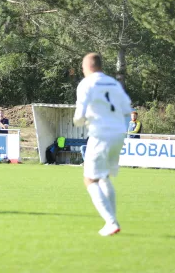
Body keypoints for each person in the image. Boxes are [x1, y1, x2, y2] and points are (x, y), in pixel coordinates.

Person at [73, 53, 132, 236]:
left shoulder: (86, 84)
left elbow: (79, 115)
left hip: (100, 134)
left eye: (83, 67)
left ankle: (111, 222)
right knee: (104, 177)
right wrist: (121, 130)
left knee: (90, 179)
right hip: (118, 134)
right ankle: (112, 221)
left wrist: (79, 121)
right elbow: (127, 110)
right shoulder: (114, 83)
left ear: (88, 66)